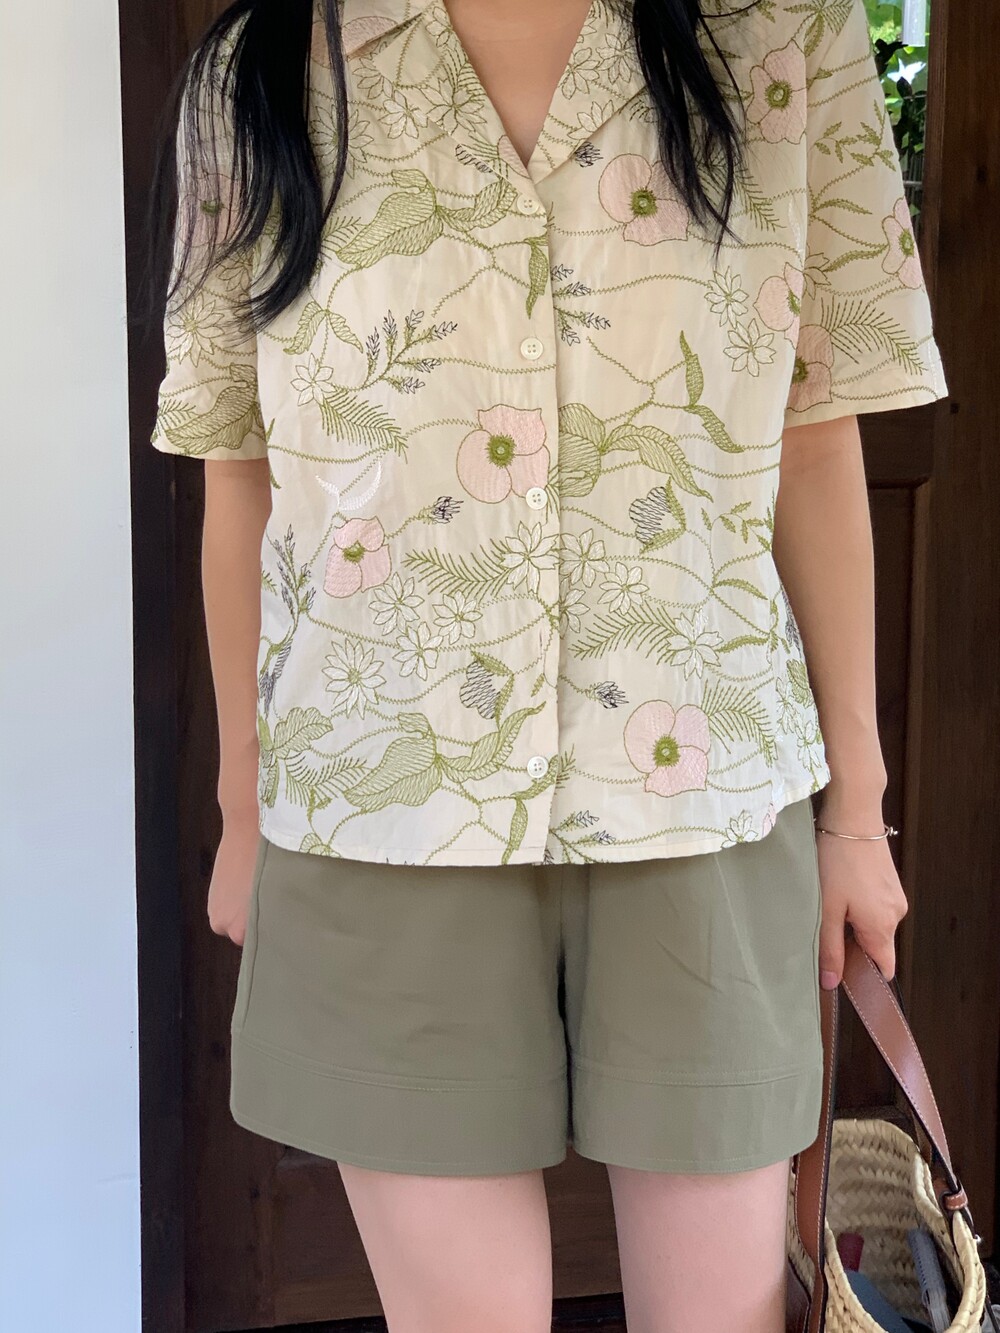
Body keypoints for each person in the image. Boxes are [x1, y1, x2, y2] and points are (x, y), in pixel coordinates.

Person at [144, 0, 947, 1328]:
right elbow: (242, 474)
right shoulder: (257, 75)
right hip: (381, 804)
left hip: (705, 792)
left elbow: (816, 437)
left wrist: (856, 814)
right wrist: (243, 810)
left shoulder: (781, 35)